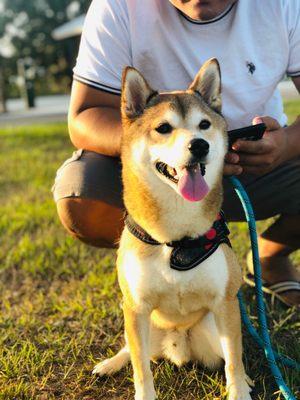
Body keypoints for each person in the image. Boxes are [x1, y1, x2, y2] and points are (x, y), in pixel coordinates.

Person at [52, 0, 300, 307]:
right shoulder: (118, 5)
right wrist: (164, 152)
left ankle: (271, 255)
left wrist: (287, 143)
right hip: (158, 176)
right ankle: (163, 265)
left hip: (258, 166)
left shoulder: (286, 4)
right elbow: (85, 115)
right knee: (81, 193)